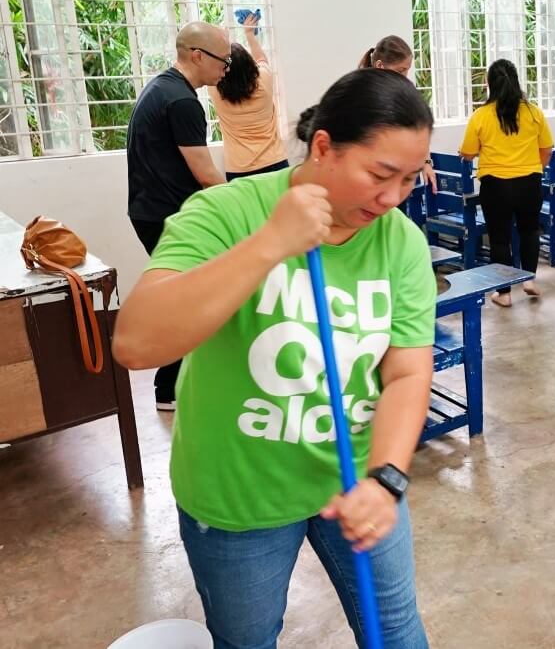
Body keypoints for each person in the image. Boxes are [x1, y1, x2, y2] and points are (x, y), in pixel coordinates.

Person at [112, 67, 435, 649]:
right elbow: (136, 343)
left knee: (398, 633)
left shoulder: (399, 241)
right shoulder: (226, 214)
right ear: (323, 147)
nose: (393, 199)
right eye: (380, 174)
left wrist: (387, 477)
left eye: (410, 180)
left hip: (355, 478)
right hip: (239, 495)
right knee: (248, 640)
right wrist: (270, 245)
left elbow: (407, 370)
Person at [126, 20, 227, 410]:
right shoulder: (182, 101)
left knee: (187, 299)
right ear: (197, 55)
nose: (225, 68)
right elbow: (205, 174)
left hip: (152, 212)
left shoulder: (162, 87)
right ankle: (170, 387)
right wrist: (245, 208)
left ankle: (174, 384)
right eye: (223, 59)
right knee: (191, 302)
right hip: (168, 217)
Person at [458, 59, 553, 307]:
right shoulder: (533, 112)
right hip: (529, 183)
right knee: (530, 230)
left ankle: (504, 294)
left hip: (495, 185)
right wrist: (533, 169)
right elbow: (547, 149)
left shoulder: (480, 116)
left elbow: (467, 153)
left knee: (500, 239)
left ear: (489, 84)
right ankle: (530, 279)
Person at [208, 12, 289, 181]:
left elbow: (210, 66)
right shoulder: (264, 81)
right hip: (275, 163)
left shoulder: (215, 90)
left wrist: (220, 40)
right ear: (249, 64)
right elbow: (261, 58)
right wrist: (249, 34)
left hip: (239, 170)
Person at [359, 35, 437, 194]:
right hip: (370, 177)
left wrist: (426, 163)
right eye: (400, 70)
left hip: (397, 174)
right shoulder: (362, 92)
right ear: (380, 65)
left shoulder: (405, 93)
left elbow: (418, 129)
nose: (405, 76)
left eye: (407, 70)